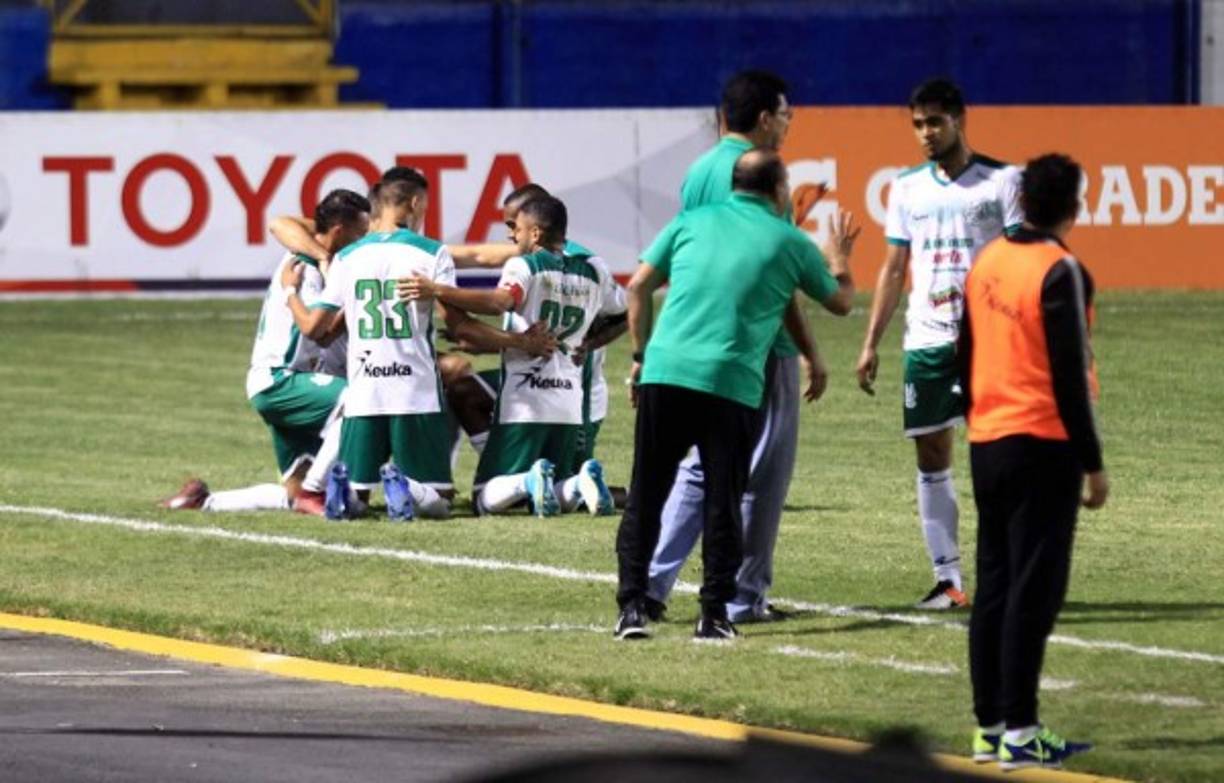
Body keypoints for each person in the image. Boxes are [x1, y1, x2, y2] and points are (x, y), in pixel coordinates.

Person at [615, 149, 855, 641]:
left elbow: (637, 287)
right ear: (780, 191)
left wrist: (640, 355)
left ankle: (632, 608)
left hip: (664, 372)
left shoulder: (691, 222)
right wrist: (840, 260)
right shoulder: (789, 240)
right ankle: (714, 615)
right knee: (724, 499)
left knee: (646, 493)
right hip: (730, 382)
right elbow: (840, 301)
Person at [645, 69, 832, 625]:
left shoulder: (699, 172)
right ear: (767, 118)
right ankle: (742, 595)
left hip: (695, 340)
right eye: (787, 116)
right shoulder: (764, 175)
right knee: (762, 474)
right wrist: (809, 352)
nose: (789, 126)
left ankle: (654, 582)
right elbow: (779, 275)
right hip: (759, 343)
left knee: (701, 469)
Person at [854, 78, 1023, 610]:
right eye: (918, 124)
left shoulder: (1002, 181)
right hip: (927, 340)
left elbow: (1024, 261)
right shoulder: (907, 188)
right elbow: (894, 268)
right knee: (931, 454)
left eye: (935, 122)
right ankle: (948, 581)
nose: (926, 133)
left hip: (990, 342)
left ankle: (1009, 573)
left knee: (1000, 456)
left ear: (959, 120)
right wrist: (871, 341)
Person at [961, 153, 1105, 769]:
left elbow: (964, 349)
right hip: (1043, 443)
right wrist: (1093, 462)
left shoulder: (987, 260)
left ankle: (989, 728)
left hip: (988, 440)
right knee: (1034, 587)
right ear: (1073, 205)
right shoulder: (1060, 269)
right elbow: (1069, 375)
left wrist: (978, 418)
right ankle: (1021, 730)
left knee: (995, 583)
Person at [401, 195, 626, 518]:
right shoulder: (593, 272)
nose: (512, 236)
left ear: (535, 233)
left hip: (525, 399)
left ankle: (528, 479)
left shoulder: (525, 266)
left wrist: (438, 290)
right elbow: (622, 312)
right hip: (568, 401)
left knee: (484, 498)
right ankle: (579, 483)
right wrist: (590, 342)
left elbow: (500, 302)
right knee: (555, 486)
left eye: (516, 228)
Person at [158, 188, 371, 512]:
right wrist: (299, 292)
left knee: (301, 497)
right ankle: (315, 490)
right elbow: (318, 331)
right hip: (282, 381)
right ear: (339, 231)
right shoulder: (305, 268)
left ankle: (204, 501)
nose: (364, 242)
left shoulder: (314, 258)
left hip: (285, 383)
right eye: (360, 234)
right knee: (361, 400)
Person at [280, 172, 463, 519]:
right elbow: (455, 321)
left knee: (360, 497)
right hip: (415, 391)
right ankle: (405, 486)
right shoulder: (432, 252)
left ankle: (345, 496)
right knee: (441, 500)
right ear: (414, 203)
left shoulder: (348, 257)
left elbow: (318, 330)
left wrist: (290, 291)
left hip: (365, 391)